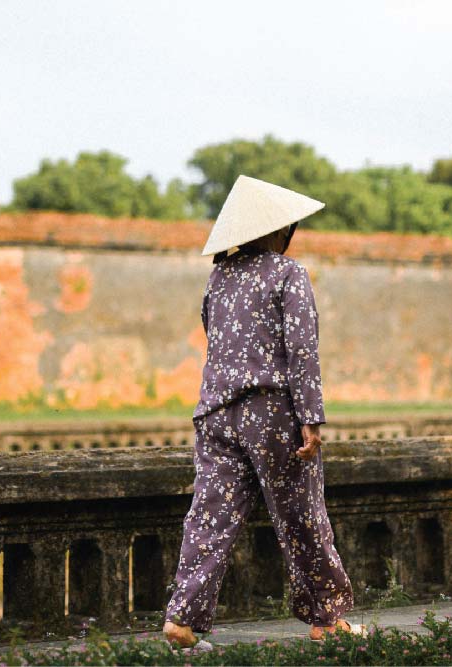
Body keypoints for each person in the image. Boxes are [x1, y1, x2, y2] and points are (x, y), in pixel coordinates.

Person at [163, 175, 359, 649]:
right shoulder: (288, 274)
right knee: (301, 515)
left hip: (214, 412)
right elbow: (301, 350)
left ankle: (181, 620)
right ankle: (328, 619)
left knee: (209, 515)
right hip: (270, 412)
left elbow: (215, 337)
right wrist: (310, 418)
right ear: (279, 230)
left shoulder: (219, 278)